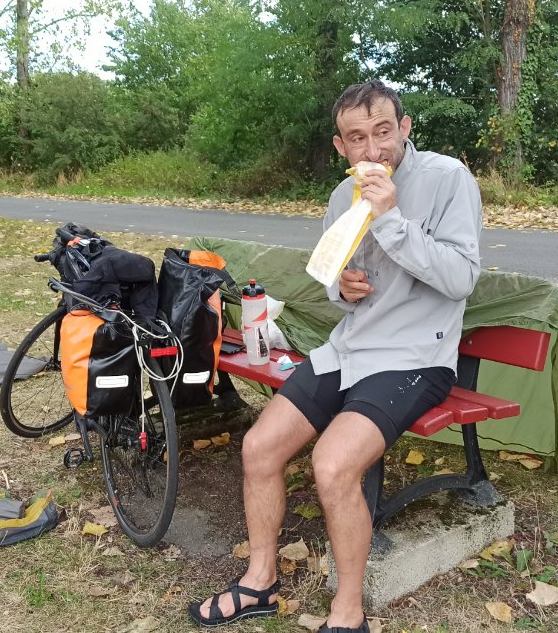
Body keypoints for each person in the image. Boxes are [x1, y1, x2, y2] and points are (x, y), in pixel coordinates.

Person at [188, 79, 483, 632]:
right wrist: (340, 288)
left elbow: (461, 278)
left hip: (416, 356)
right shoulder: (338, 197)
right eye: (357, 138)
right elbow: (330, 279)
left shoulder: (448, 180)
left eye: (383, 132)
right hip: (350, 348)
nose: (373, 152)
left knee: (332, 465)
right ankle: (260, 582)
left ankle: (349, 612)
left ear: (405, 128)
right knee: (259, 447)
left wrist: (391, 218)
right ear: (339, 146)